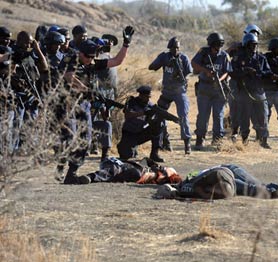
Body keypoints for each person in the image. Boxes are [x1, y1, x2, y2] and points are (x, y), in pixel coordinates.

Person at [57, 26, 134, 184]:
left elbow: (116, 61)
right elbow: (68, 76)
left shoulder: (91, 63)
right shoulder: (71, 58)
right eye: (87, 56)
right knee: (69, 137)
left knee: (86, 138)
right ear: (80, 53)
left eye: (93, 57)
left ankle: (72, 173)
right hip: (66, 103)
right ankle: (60, 165)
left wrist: (126, 44)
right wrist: (86, 89)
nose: (90, 60)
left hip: (83, 104)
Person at [149, 37, 193, 154]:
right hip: (167, 91)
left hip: (180, 92)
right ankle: (164, 141)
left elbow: (189, 73)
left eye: (177, 48)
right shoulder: (164, 56)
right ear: (169, 48)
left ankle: (187, 143)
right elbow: (152, 67)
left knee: (183, 115)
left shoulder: (184, 58)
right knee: (160, 115)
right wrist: (163, 62)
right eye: (173, 48)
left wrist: (182, 77)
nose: (176, 50)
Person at [230, 33, 272, 148]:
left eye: (255, 45)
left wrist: (257, 73)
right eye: (251, 45)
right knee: (244, 118)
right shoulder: (238, 58)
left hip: (259, 92)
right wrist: (244, 71)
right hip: (243, 92)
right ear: (246, 45)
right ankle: (244, 140)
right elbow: (232, 72)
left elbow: (268, 73)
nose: (254, 47)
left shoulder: (261, 58)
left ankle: (263, 140)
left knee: (263, 116)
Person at [191, 33, 231, 149]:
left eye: (220, 45)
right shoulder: (203, 52)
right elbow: (194, 64)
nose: (218, 48)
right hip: (204, 88)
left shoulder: (224, 56)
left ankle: (217, 140)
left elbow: (227, 71)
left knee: (218, 115)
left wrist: (219, 79)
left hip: (219, 89)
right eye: (216, 45)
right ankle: (200, 139)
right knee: (203, 116)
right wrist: (206, 71)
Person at [226, 24, 263, 142]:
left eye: (256, 34)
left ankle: (258, 134)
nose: (254, 36)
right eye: (252, 33)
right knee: (235, 107)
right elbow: (225, 58)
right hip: (236, 82)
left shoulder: (257, 50)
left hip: (252, 85)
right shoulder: (238, 47)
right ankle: (235, 131)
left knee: (255, 110)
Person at [117, 85, 167, 163]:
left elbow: (156, 112)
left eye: (149, 97)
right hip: (130, 133)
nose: (148, 99)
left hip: (142, 131)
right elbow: (127, 115)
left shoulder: (149, 104)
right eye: (146, 97)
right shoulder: (131, 102)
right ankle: (131, 149)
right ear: (141, 95)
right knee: (125, 155)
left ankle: (154, 154)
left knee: (159, 124)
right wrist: (143, 113)